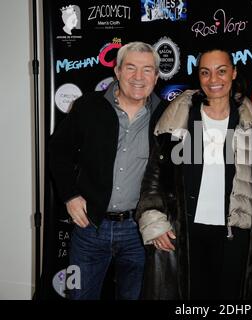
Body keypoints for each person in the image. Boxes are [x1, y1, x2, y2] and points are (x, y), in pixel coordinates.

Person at [136, 48, 252, 300]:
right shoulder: (178, 115)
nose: (213, 80)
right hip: (185, 232)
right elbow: (155, 174)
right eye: (205, 72)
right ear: (198, 76)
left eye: (221, 71)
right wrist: (154, 221)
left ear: (233, 73)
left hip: (233, 236)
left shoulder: (249, 119)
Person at [49, 41, 166, 300]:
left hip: (139, 231)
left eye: (147, 70)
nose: (138, 77)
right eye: (131, 68)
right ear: (117, 71)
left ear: (156, 77)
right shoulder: (88, 107)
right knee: (78, 296)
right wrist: (69, 195)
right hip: (90, 228)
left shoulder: (166, 115)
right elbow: (58, 151)